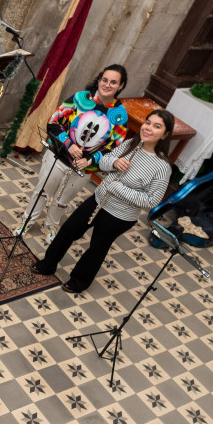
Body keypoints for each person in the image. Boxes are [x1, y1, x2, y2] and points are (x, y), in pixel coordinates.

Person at [33, 109, 175, 293]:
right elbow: (103, 162)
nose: (148, 128)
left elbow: (151, 201)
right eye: (148, 122)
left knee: (97, 247)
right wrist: (115, 163)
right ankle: (48, 264)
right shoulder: (132, 143)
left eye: (156, 126)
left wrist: (117, 188)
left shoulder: (162, 167)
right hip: (98, 200)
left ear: (165, 135)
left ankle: (79, 280)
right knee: (69, 230)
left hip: (120, 216)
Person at [16, 64, 129, 243]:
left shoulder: (120, 115)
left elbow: (113, 147)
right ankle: (27, 221)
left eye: (113, 82)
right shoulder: (81, 99)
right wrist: (68, 144)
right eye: (104, 80)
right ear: (99, 80)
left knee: (62, 200)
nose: (107, 85)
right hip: (58, 156)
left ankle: (50, 226)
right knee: (43, 192)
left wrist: (90, 160)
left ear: (121, 86)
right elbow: (53, 122)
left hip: (84, 167)